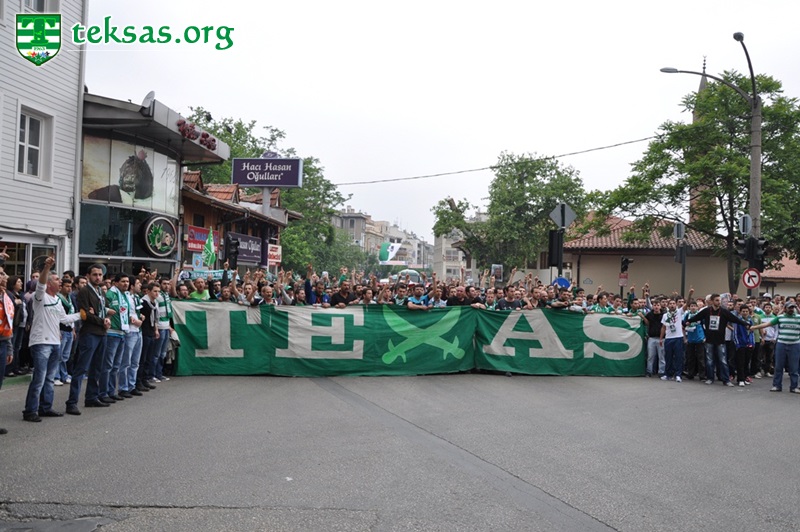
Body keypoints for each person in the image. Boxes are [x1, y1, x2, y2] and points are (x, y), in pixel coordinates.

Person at [23, 256, 81, 421]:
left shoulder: (57, 300)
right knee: (39, 379)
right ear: (49, 283)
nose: (60, 281)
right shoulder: (40, 296)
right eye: (56, 279)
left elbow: (64, 319)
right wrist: (47, 268)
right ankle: (30, 411)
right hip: (41, 343)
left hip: (56, 343)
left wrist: (80, 315)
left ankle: (45, 407)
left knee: (49, 378)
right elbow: (41, 283)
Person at [66, 264, 111, 415]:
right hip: (90, 333)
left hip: (102, 332)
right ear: (88, 276)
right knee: (81, 368)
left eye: (100, 275)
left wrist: (106, 319)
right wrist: (101, 320)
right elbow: (85, 314)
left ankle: (91, 397)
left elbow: (104, 309)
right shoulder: (84, 291)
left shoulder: (101, 291)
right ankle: (72, 402)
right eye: (95, 274)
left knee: (97, 367)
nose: (98, 277)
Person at [685, 293, 752, 388]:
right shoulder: (707, 311)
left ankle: (726, 380)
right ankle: (710, 378)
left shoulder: (724, 312)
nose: (719, 302)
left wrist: (745, 324)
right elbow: (697, 317)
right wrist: (688, 321)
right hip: (709, 340)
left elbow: (735, 319)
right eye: (717, 300)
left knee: (723, 361)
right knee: (709, 361)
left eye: (719, 300)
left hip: (720, 341)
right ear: (712, 301)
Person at [751, 300, 800, 393]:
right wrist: (754, 327)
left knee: (794, 367)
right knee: (779, 366)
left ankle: (794, 387)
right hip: (782, 344)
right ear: (785, 309)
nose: (791, 309)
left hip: (795, 344)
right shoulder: (780, 317)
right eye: (789, 308)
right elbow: (767, 324)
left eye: (793, 308)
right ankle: (777, 385)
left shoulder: (798, 318)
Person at [0, 270, 16, 434]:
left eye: (4, 274)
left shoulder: (6, 298)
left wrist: (9, 348)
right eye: (0, 274)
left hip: (3, 344)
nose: (4, 277)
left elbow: (8, 324)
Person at [54, 277, 76, 386]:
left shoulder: (70, 299)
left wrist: (73, 329)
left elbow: (72, 314)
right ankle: (56, 376)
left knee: (65, 356)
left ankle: (64, 374)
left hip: (69, 329)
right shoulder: (58, 299)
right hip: (61, 329)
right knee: (58, 355)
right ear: (61, 287)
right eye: (67, 286)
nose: (69, 289)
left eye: (70, 286)